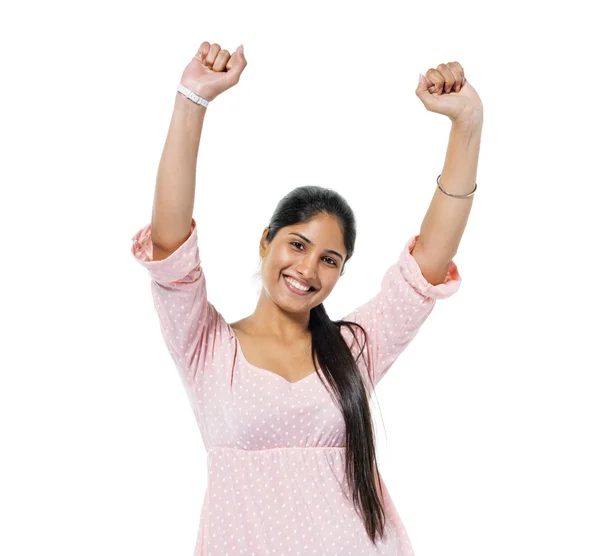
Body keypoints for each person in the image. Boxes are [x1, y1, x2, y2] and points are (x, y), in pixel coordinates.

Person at [131, 41, 482, 555]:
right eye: (297, 244)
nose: (307, 269)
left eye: (329, 259)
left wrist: (467, 125)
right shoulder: (206, 346)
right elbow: (170, 245)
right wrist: (192, 100)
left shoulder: (355, 349)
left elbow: (426, 264)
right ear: (265, 241)